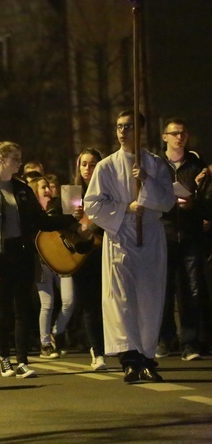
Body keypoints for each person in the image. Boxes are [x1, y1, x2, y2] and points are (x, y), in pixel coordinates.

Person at [84, 111, 175, 383]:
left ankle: (147, 356)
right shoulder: (106, 167)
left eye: (129, 126)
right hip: (120, 238)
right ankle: (129, 358)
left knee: (149, 297)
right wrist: (125, 208)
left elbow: (168, 201)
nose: (122, 131)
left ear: (141, 130)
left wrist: (146, 179)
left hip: (149, 239)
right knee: (123, 300)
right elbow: (93, 204)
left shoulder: (156, 164)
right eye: (119, 126)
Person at [0, 141, 76, 379]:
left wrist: (68, 219)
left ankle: (22, 361)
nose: (19, 162)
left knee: (23, 309)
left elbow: (40, 220)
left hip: (21, 253)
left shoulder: (21, 189)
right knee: (4, 310)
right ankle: (4, 358)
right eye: (16, 158)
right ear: (2, 160)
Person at [157, 117, 210, 360]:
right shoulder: (157, 165)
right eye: (175, 133)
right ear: (164, 136)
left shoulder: (196, 164)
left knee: (192, 288)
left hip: (190, 233)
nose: (180, 137)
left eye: (184, 133)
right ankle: (165, 340)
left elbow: (207, 202)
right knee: (164, 289)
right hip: (164, 232)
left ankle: (190, 343)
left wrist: (194, 203)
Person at [27, 177, 75, 359]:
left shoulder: (60, 206)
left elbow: (69, 223)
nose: (47, 189)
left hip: (63, 259)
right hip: (42, 261)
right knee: (47, 303)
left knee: (69, 300)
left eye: (48, 186)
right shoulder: (32, 211)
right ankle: (45, 343)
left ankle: (57, 331)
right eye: (43, 187)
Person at [71, 148, 108, 371]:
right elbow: (62, 225)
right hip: (82, 255)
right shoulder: (73, 193)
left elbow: (112, 218)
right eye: (84, 164)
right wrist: (73, 219)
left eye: (92, 164)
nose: (87, 169)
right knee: (89, 304)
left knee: (109, 302)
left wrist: (90, 224)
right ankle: (97, 351)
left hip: (105, 252)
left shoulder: (107, 191)